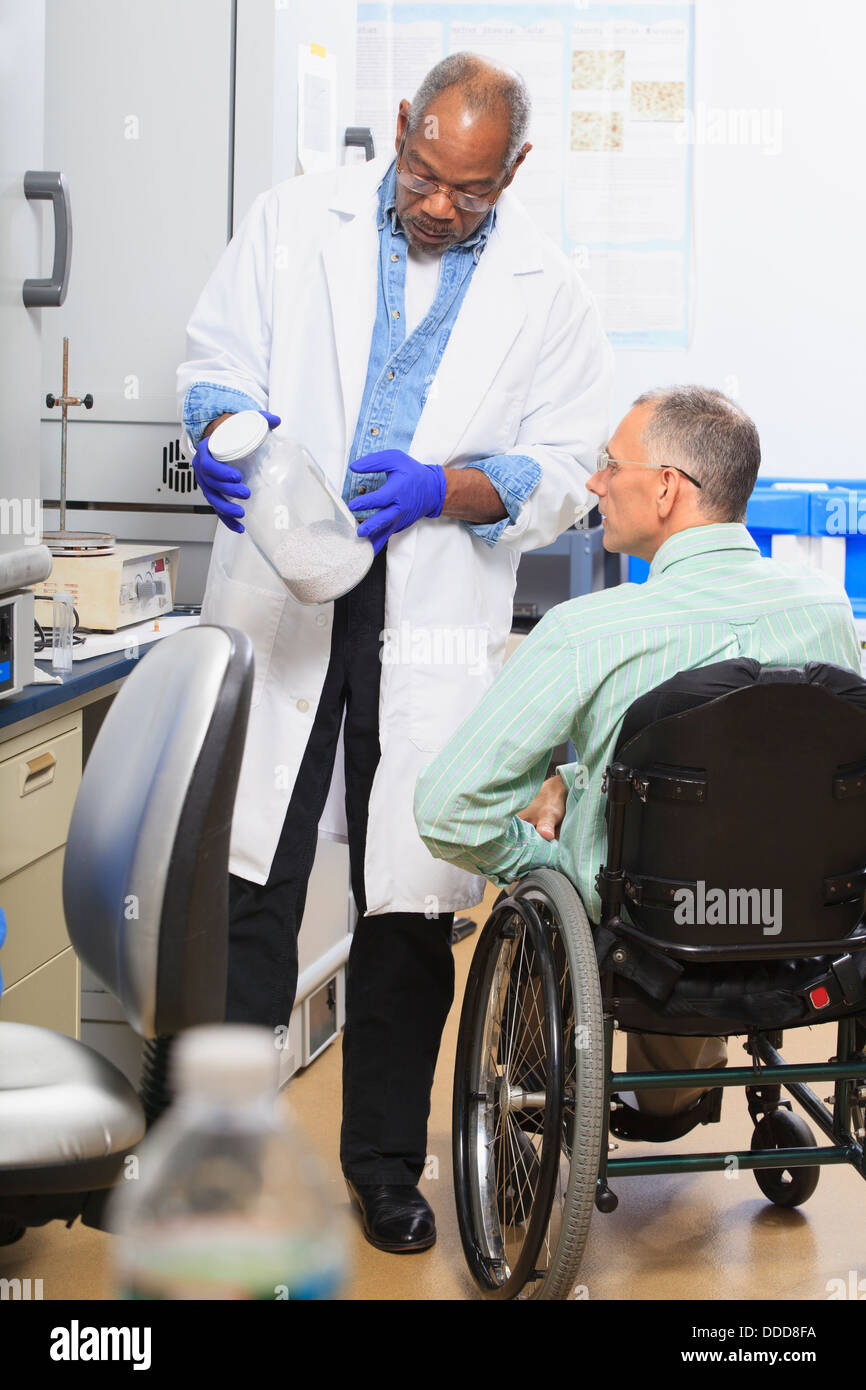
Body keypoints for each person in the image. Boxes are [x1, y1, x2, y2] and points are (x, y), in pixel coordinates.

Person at [176, 52, 613, 1252]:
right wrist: (217, 431)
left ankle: (381, 1167)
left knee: (408, 901)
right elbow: (215, 358)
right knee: (245, 883)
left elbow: (572, 471)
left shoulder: (548, 289)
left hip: (426, 619)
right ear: (401, 126)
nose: (436, 205)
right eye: (424, 173)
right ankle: (209, 1158)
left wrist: (450, 487)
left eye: (467, 193)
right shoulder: (290, 220)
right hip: (285, 591)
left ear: (510, 173)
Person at [414, 385, 862, 1115]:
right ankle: (674, 1098)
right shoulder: (824, 606)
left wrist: (562, 869)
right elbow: (784, 759)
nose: (594, 483)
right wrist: (575, 776)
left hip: (646, 936)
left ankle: (542, 1097)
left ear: (664, 488)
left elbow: (446, 807)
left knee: (557, 886)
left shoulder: (590, 630)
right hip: (806, 919)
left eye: (607, 464)